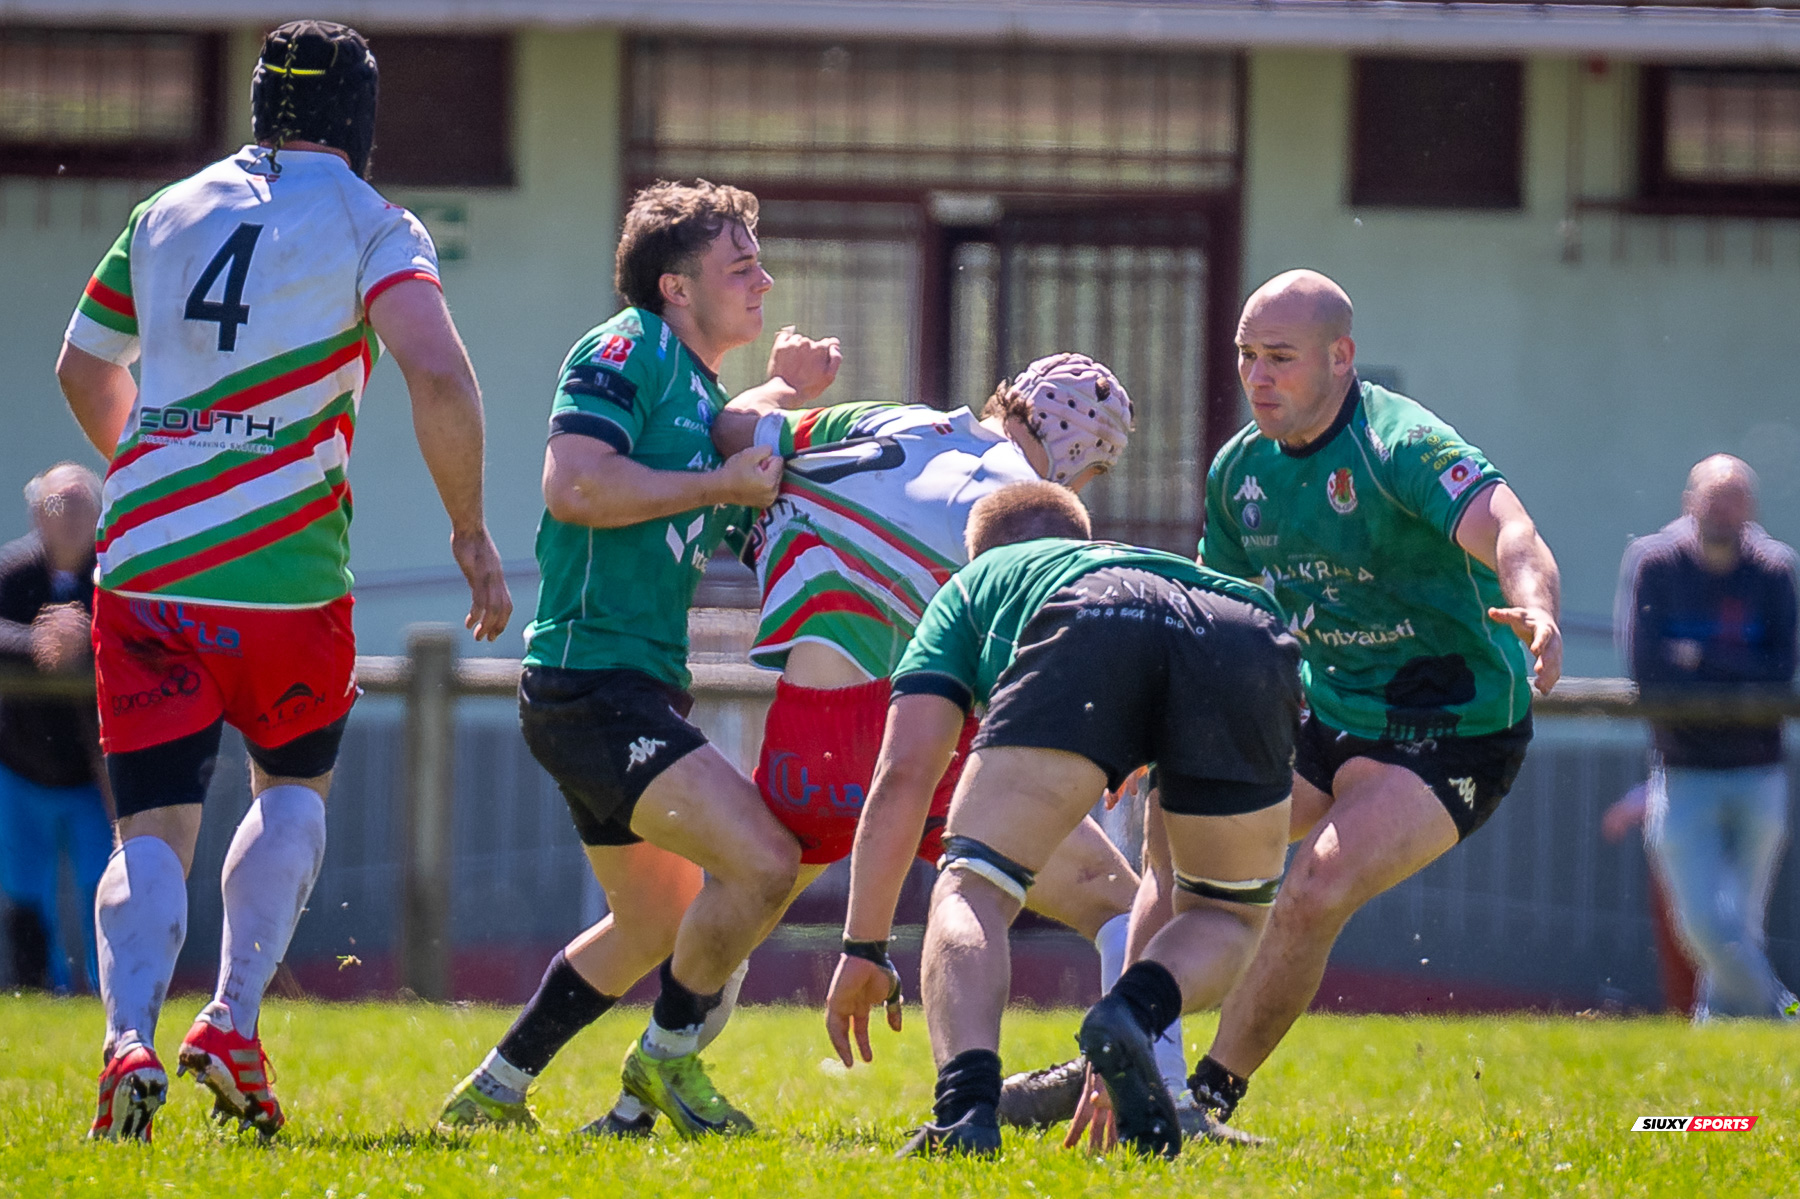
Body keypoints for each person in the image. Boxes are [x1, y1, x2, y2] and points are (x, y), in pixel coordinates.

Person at [55, 20, 512, 1142]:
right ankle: (232, 1018)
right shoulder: (372, 222)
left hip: (147, 559)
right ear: (361, 119)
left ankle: (126, 1039)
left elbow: (81, 361)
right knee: (289, 792)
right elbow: (440, 370)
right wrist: (468, 528)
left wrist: (155, 471)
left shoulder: (165, 208)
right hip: (284, 579)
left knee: (148, 830)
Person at [570, 352, 1161, 1137]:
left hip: (809, 731)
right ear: (1082, 457)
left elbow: (733, 430)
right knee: (1111, 902)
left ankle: (594, 1094)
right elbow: (1064, 642)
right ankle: (1137, 1091)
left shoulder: (889, 420)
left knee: (741, 906)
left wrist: (781, 383)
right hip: (918, 731)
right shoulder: (1020, 508)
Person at [435, 179, 841, 1139]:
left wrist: (786, 395)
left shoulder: (692, 382)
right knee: (765, 860)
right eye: (740, 266)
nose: (764, 280)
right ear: (672, 286)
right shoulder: (625, 346)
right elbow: (575, 485)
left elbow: (723, 443)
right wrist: (719, 477)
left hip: (629, 686)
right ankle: (662, 1068)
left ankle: (490, 1093)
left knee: (656, 922)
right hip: (593, 685)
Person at [1174, 269, 1562, 1136]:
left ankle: (1205, 1099)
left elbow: (1514, 531)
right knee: (1182, 827)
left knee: (1313, 888)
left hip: (1452, 727)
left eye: (1280, 358)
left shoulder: (1401, 447)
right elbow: (1222, 623)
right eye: (1246, 356)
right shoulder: (1241, 473)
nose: (1257, 377)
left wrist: (1534, 606)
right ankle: (1132, 1054)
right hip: (1325, 709)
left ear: (1341, 358)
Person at [825, 482, 1304, 1159]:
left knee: (973, 883)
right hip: (1245, 629)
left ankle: (965, 1111)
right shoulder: (1149, 562)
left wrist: (864, 947)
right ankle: (1131, 1013)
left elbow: (904, 773)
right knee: (1220, 911)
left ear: (983, 553)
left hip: (1093, 625)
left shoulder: (978, 582)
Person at [1620, 454, 1797, 1020]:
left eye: (1736, 497)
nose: (1724, 509)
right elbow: (1646, 666)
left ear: (1751, 507)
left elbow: (1780, 670)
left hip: (1758, 769)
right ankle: (1783, 1015)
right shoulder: (1655, 563)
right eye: (1713, 496)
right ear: (1688, 500)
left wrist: (1698, 658)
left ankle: (1715, 1043)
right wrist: (1734, 667)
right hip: (1682, 769)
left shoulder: (1774, 570)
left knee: (1742, 925)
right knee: (1701, 923)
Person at [0, 464, 113, 994]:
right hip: (19, 767)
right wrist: (38, 644)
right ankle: (37, 990)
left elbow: (142, 636)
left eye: (78, 505)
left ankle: (106, 996)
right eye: (55, 505)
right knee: (24, 891)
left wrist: (82, 639)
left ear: (99, 514)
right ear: (35, 514)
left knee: (104, 889)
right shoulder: (12, 572)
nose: (67, 517)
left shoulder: (116, 575)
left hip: (94, 777)